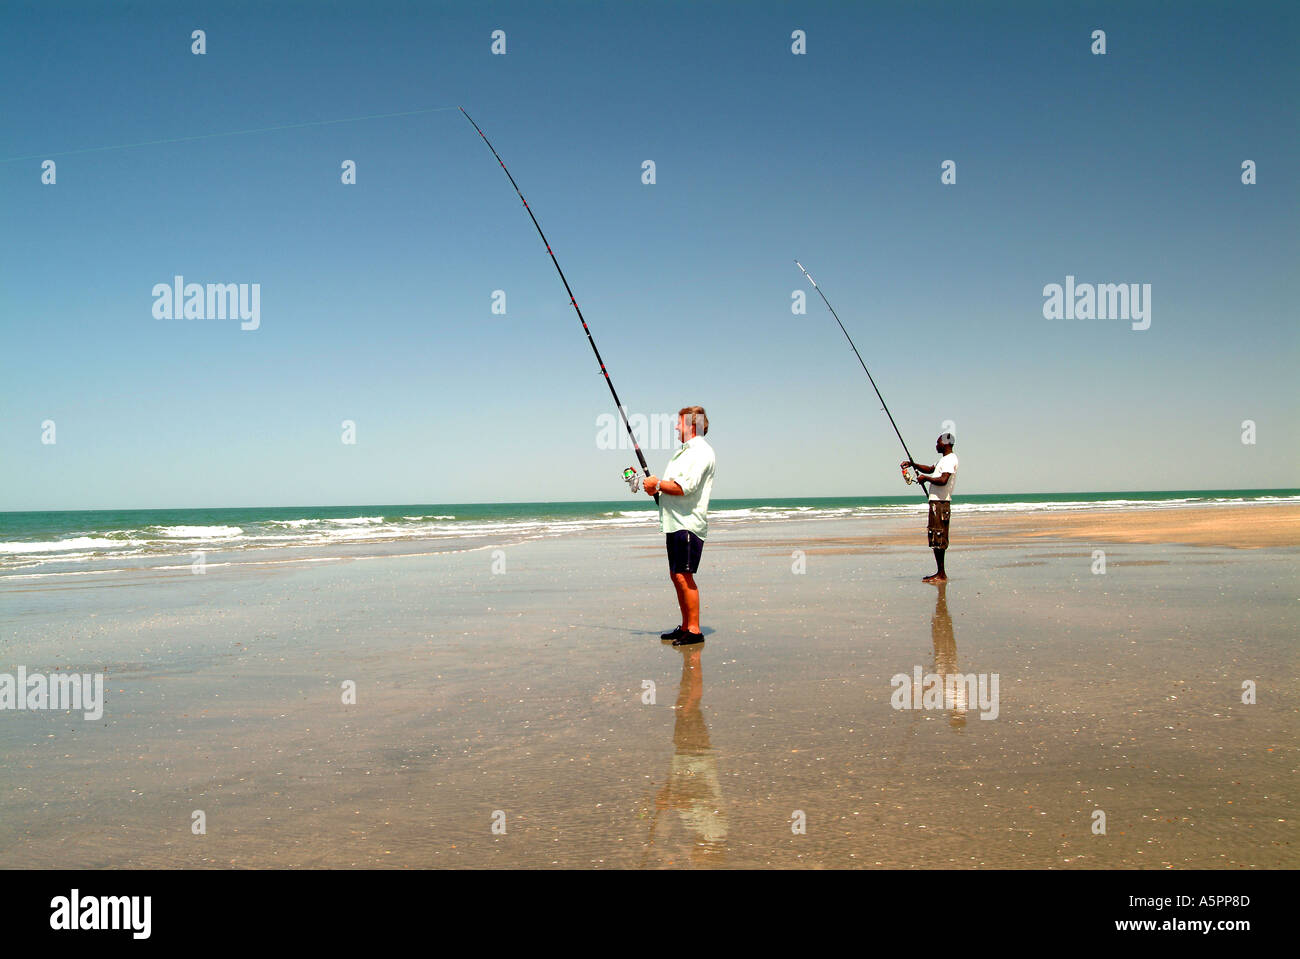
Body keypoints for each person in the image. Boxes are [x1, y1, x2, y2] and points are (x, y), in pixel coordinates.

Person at [644, 406, 715, 646]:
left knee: (685, 576)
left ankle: (694, 631)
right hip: (675, 522)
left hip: (688, 523)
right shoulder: (684, 452)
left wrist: (658, 484)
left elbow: (686, 487)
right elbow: (672, 486)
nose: (675, 427)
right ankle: (685, 626)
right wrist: (655, 487)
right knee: (677, 576)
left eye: (678, 423)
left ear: (690, 425)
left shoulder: (701, 452)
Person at [902, 432, 958, 583]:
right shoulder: (944, 460)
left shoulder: (949, 460)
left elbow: (943, 480)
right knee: (935, 537)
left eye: (938, 442)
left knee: (939, 537)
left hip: (940, 503)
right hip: (936, 503)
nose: (936, 445)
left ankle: (941, 574)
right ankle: (940, 572)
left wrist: (925, 479)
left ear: (945, 443)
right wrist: (913, 465)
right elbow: (929, 469)